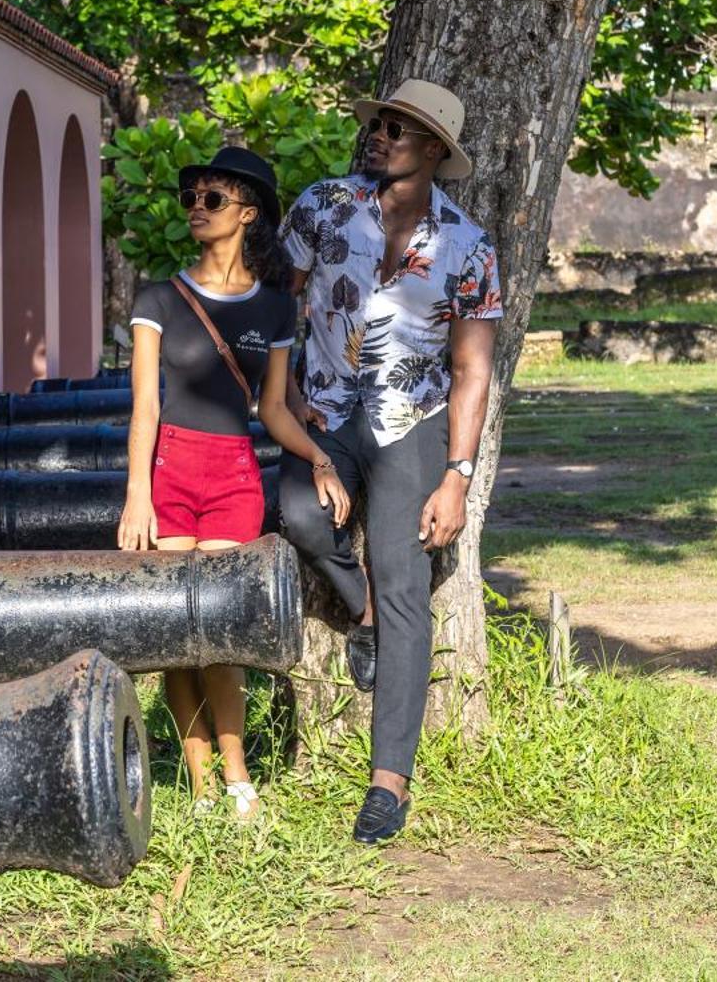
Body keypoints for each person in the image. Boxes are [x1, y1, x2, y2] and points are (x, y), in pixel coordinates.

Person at [276, 78, 502, 846]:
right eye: (381, 123)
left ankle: (388, 782)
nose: (382, 135)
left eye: (401, 129)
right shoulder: (322, 205)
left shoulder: (468, 246)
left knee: (410, 587)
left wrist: (456, 475)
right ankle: (358, 606)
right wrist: (288, 394)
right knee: (300, 512)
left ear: (435, 150)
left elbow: (473, 371)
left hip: (413, 424)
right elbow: (284, 305)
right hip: (328, 415)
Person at [117, 145, 352, 820]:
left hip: (234, 475)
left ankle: (237, 773)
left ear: (247, 212)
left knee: (217, 632)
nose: (196, 205)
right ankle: (196, 782)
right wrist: (137, 492)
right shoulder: (159, 297)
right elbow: (146, 407)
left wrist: (320, 457)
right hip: (169, 470)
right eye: (191, 196)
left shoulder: (275, 309)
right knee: (174, 640)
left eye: (212, 198)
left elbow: (274, 408)